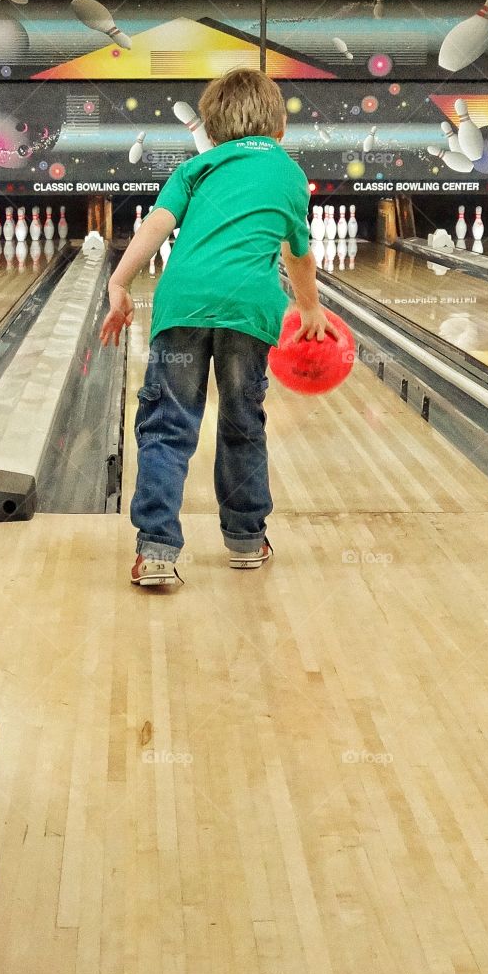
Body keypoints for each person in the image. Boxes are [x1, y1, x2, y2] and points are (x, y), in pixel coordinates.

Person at [100, 68, 335, 589]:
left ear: (210, 128)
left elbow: (156, 225)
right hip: (249, 312)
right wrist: (310, 309)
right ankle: (247, 540)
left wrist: (119, 282)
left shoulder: (196, 167)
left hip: (183, 305)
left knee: (167, 425)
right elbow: (298, 253)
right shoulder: (290, 174)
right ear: (280, 128)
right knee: (242, 422)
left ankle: (156, 550)